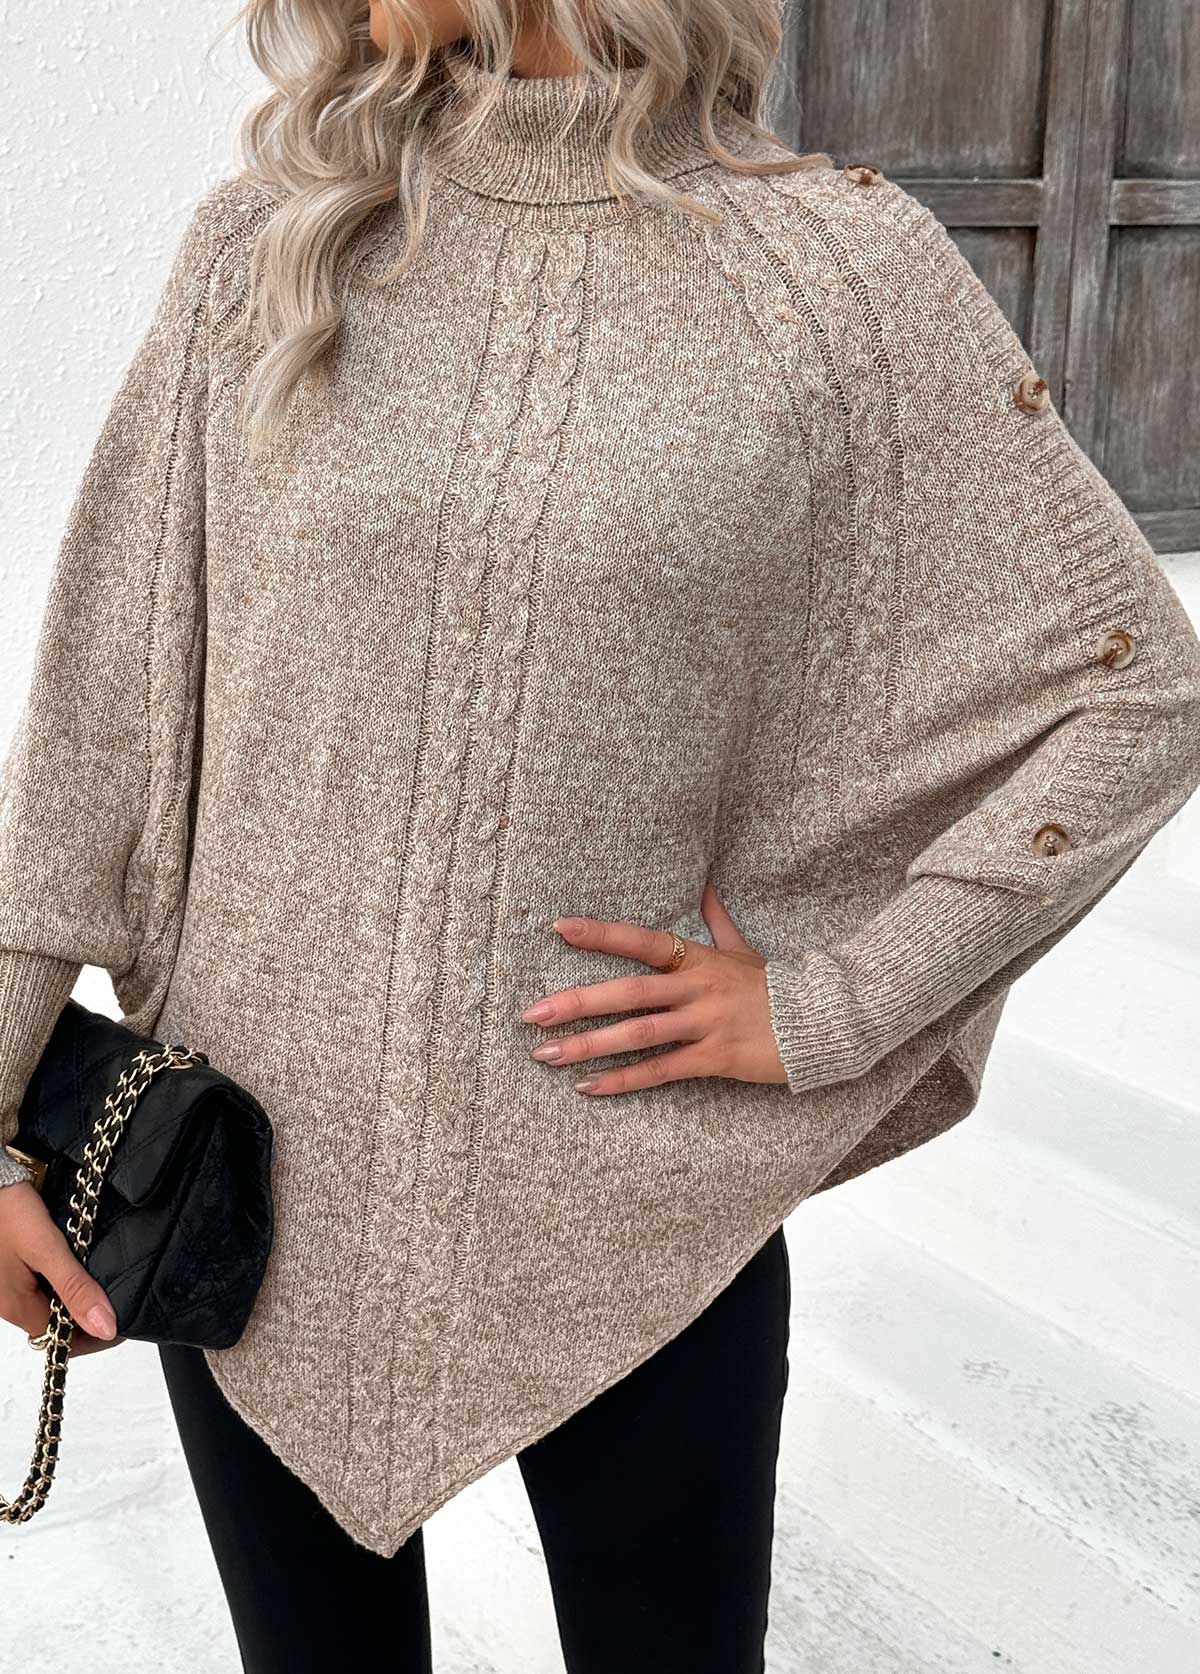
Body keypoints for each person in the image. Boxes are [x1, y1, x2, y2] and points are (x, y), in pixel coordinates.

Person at [3, 2, 1200, 1668]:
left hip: (638, 1223)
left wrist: (833, 1004)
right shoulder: (270, 245)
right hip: (244, 1204)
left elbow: (1134, 686)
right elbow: (94, 737)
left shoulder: (834, 277)